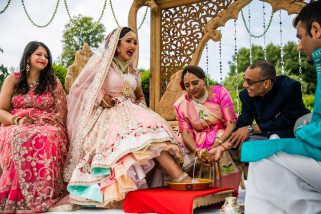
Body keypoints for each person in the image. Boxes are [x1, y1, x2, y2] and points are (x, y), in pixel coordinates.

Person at [63, 27, 192, 208]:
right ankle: (180, 178)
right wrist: (100, 98)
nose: (133, 45)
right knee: (138, 138)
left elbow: (140, 96)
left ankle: (179, 177)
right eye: (128, 41)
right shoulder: (103, 65)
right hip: (109, 115)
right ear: (117, 45)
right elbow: (78, 88)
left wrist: (139, 104)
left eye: (135, 42)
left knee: (151, 131)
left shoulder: (134, 72)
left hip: (132, 111)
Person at [242, 2, 321, 213]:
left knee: (261, 157)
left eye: (299, 37)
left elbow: (292, 121)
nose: (299, 45)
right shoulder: (246, 95)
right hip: (308, 139)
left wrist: (302, 132)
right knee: (261, 149)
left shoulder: (289, 87)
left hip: (301, 135)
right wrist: (224, 142)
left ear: (316, 30)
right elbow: (244, 121)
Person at [0, 41, 68, 212]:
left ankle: (41, 195)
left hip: (48, 124)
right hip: (15, 123)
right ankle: (17, 195)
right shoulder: (13, 79)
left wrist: (41, 120)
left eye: (46, 56)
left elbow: (61, 113)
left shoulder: (53, 82)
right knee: (19, 135)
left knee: (47, 135)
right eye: (39, 54)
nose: (43, 58)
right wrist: (18, 120)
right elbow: (1, 110)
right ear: (28, 56)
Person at [173, 65, 241, 191]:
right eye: (187, 85)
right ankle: (202, 189)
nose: (192, 88)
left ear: (203, 80)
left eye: (195, 83)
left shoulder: (220, 92)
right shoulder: (181, 104)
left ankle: (225, 190)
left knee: (220, 137)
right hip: (197, 138)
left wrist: (219, 143)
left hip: (224, 134)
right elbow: (186, 132)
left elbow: (231, 122)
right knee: (178, 144)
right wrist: (197, 151)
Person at [229, 60, 310, 147]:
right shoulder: (246, 95)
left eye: (250, 82)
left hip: (301, 129)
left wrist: (251, 128)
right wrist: (224, 146)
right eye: (244, 79)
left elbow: (286, 120)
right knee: (248, 143)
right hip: (272, 134)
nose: (244, 85)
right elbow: (243, 123)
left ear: (266, 83)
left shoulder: (289, 87)